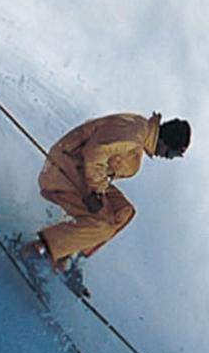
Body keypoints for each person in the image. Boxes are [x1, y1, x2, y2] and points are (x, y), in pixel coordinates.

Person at [22, 112, 190, 273]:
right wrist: (96, 191)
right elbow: (95, 151)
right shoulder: (134, 135)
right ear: (166, 142)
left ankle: (68, 253)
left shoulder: (139, 134)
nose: (168, 158)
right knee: (103, 225)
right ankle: (39, 249)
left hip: (80, 172)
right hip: (63, 167)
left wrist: (98, 191)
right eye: (172, 154)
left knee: (123, 211)